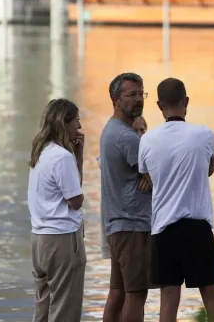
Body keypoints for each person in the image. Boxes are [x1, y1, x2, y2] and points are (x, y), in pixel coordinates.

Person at [138, 77, 214, 322]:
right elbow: (209, 169)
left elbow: (149, 176)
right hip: (197, 228)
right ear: (186, 102)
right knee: (212, 297)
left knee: (168, 300)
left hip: (164, 229)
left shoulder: (147, 140)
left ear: (159, 105)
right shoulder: (203, 134)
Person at [100, 73, 153, 322]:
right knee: (136, 293)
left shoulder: (111, 130)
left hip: (117, 225)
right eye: (131, 94)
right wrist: (152, 177)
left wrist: (150, 176)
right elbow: (158, 175)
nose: (138, 99)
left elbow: (150, 173)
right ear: (116, 100)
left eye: (141, 94)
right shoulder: (127, 137)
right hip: (133, 226)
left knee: (118, 293)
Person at [27, 98, 87, 322]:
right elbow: (75, 200)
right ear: (64, 123)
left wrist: (78, 156)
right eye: (76, 121)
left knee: (43, 308)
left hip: (39, 239)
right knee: (65, 310)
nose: (79, 126)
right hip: (61, 239)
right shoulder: (62, 157)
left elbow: (69, 188)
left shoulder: (41, 152)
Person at [99, 116, 147, 260]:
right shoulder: (115, 157)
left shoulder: (145, 158)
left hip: (129, 226)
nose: (139, 135)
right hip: (127, 227)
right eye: (135, 131)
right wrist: (150, 179)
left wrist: (148, 177)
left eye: (142, 130)